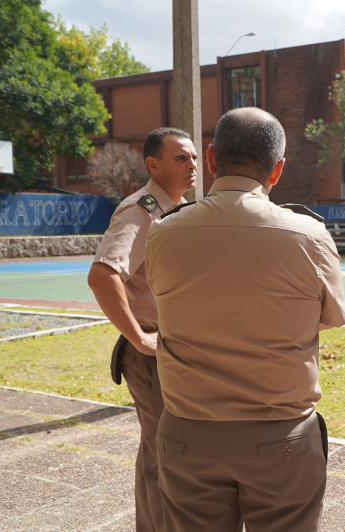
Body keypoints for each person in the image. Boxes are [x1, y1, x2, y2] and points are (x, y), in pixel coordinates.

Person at [144, 107, 345, 532]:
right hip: (280, 437)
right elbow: (331, 318)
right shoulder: (309, 236)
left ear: (212, 158)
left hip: (187, 434)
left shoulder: (163, 233)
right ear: (277, 170)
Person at [88, 127, 196, 532]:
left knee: (167, 453)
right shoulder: (142, 210)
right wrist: (139, 336)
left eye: (194, 158)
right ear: (153, 164)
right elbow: (102, 276)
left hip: (175, 353)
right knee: (160, 457)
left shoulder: (178, 209)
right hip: (152, 356)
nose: (193, 165)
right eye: (181, 158)